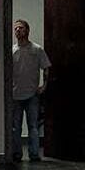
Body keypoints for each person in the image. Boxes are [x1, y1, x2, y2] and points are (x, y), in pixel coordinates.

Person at [9, 19, 51, 162]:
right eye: (15, 29)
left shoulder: (36, 49)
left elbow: (46, 67)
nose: (17, 31)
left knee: (33, 126)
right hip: (15, 94)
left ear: (27, 30)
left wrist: (44, 85)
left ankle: (34, 154)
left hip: (32, 94)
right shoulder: (12, 51)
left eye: (20, 28)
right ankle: (16, 154)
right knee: (16, 127)